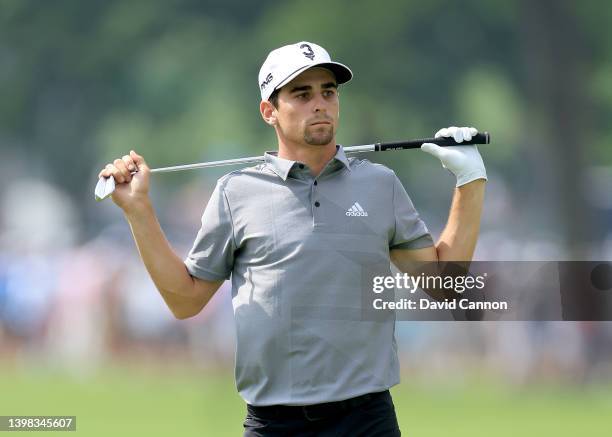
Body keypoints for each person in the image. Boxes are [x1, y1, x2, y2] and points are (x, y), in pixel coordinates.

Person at [99, 41, 487, 436]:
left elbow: (443, 285)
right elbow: (185, 300)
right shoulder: (236, 192)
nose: (319, 103)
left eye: (328, 92)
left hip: (365, 419)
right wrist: (139, 211)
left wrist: (469, 181)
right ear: (269, 111)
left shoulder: (380, 184)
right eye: (302, 94)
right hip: (274, 423)